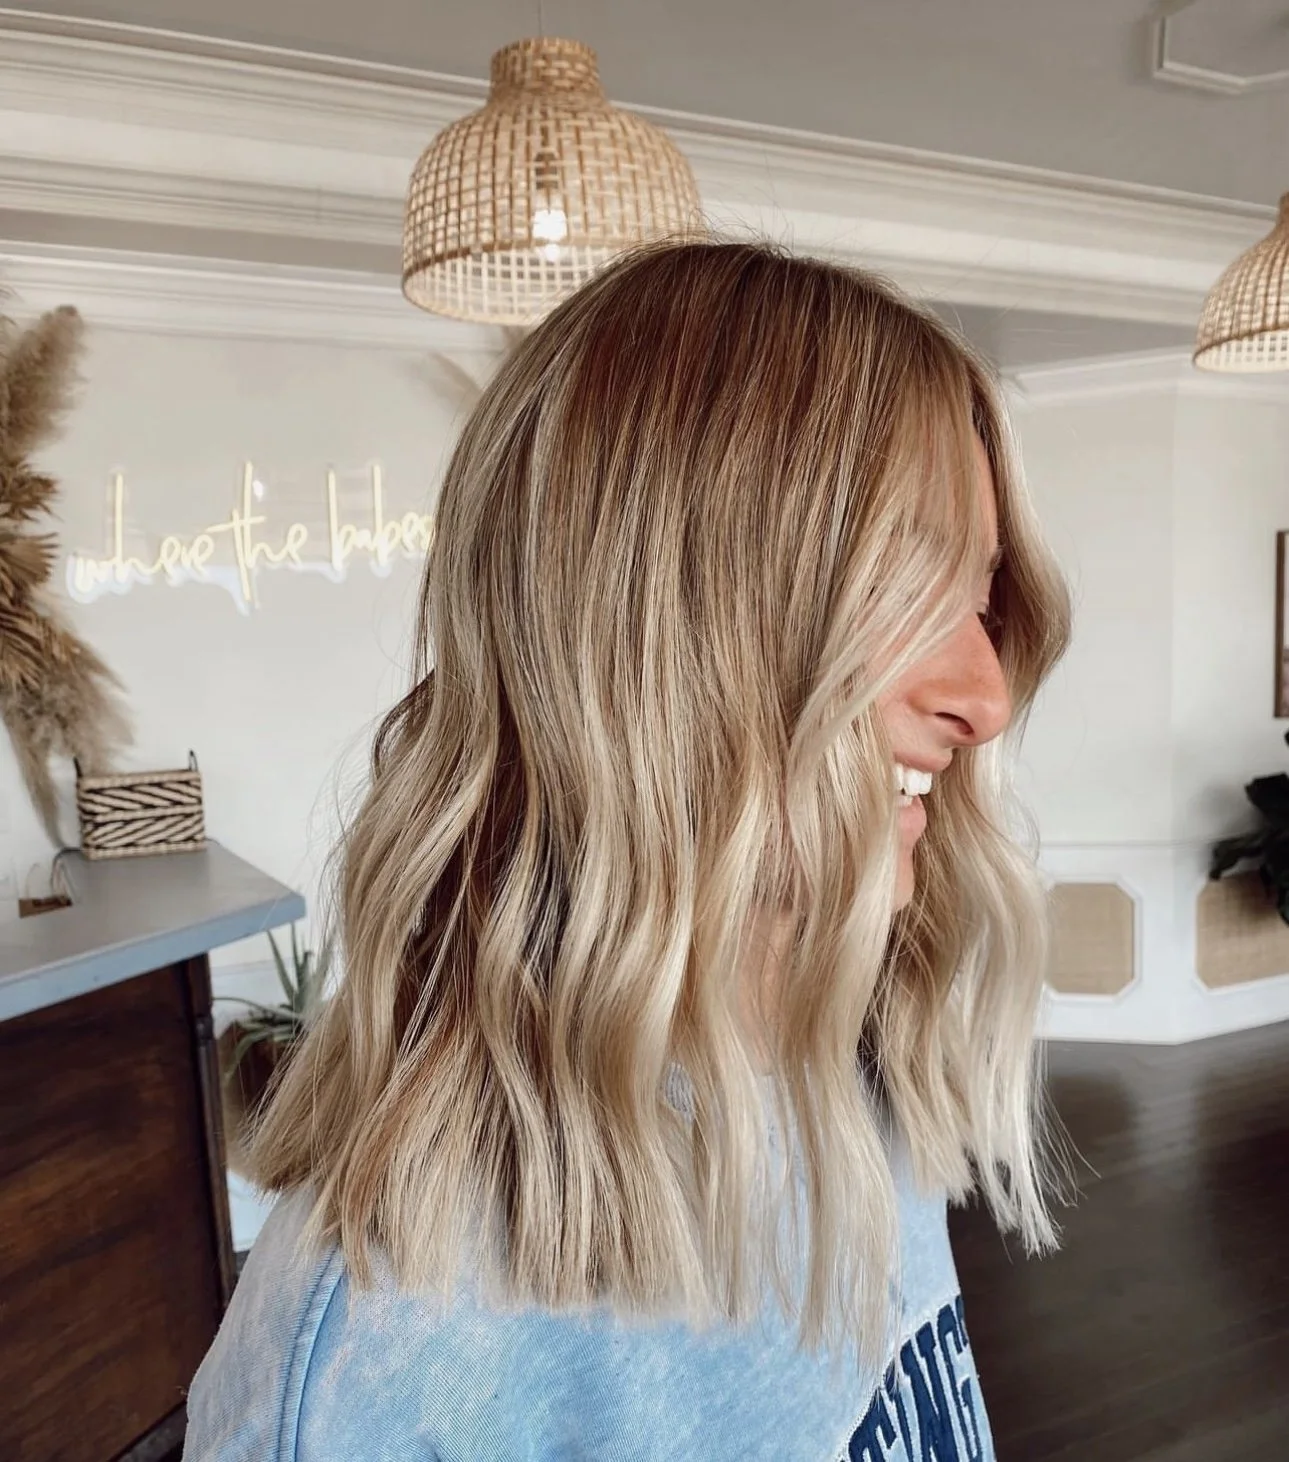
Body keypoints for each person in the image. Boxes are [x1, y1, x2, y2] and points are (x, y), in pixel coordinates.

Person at [184, 240, 1070, 1461]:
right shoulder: (387, 1350)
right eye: (894, 584)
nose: (987, 693)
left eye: (973, 595)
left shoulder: (843, 1050)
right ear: (651, 640)